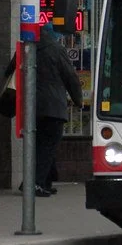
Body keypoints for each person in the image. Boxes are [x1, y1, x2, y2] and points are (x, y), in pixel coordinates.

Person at [30, 22, 83, 196]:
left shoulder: (27, 48)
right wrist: (78, 100)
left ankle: (45, 181)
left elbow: (9, 70)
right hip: (53, 106)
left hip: (31, 106)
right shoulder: (56, 49)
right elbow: (71, 77)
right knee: (48, 145)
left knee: (40, 144)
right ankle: (35, 183)